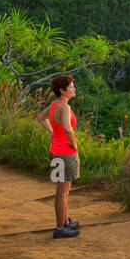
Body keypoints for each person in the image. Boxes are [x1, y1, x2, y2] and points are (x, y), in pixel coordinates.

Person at [42, 74, 81, 239]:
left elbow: (40, 118)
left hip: (56, 150)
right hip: (65, 152)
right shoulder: (65, 107)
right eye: (71, 86)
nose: (74, 89)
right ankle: (60, 227)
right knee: (62, 191)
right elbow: (67, 128)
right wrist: (74, 144)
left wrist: (52, 133)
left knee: (62, 190)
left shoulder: (54, 105)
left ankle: (64, 221)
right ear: (62, 90)